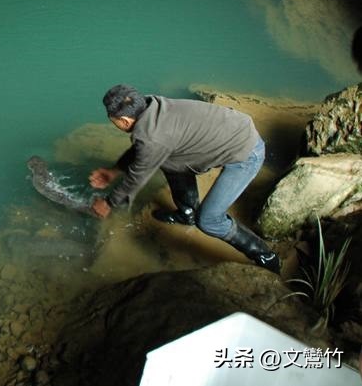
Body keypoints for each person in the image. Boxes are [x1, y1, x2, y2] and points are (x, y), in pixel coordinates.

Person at [88, 84, 280, 274]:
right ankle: (187, 213)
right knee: (170, 162)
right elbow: (143, 149)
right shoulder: (151, 107)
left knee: (208, 220)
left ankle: (265, 254)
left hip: (246, 152)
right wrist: (115, 170)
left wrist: (108, 203)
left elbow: (137, 176)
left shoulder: (153, 138)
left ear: (124, 121)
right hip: (234, 128)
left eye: (113, 120)